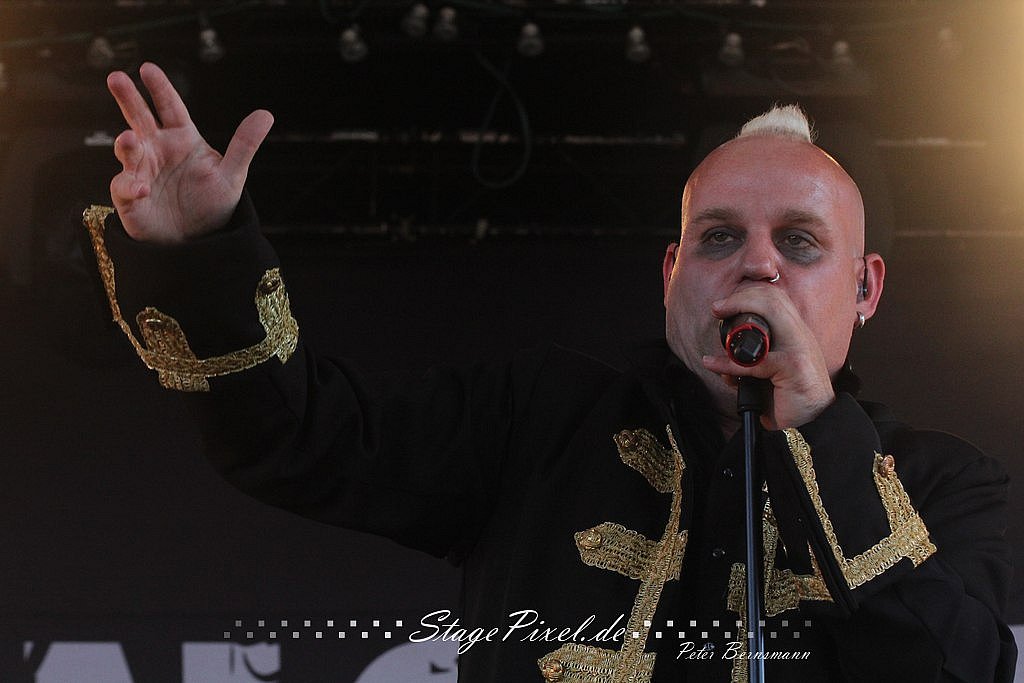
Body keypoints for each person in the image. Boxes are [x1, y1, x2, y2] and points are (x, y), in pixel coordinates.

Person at [85, 62, 1016, 682]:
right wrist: (206, 252)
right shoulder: (541, 421)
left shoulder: (946, 485)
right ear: (671, 276)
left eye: (801, 242)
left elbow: (958, 669)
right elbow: (298, 435)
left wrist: (815, 427)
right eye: (719, 237)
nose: (758, 265)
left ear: (866, 289)